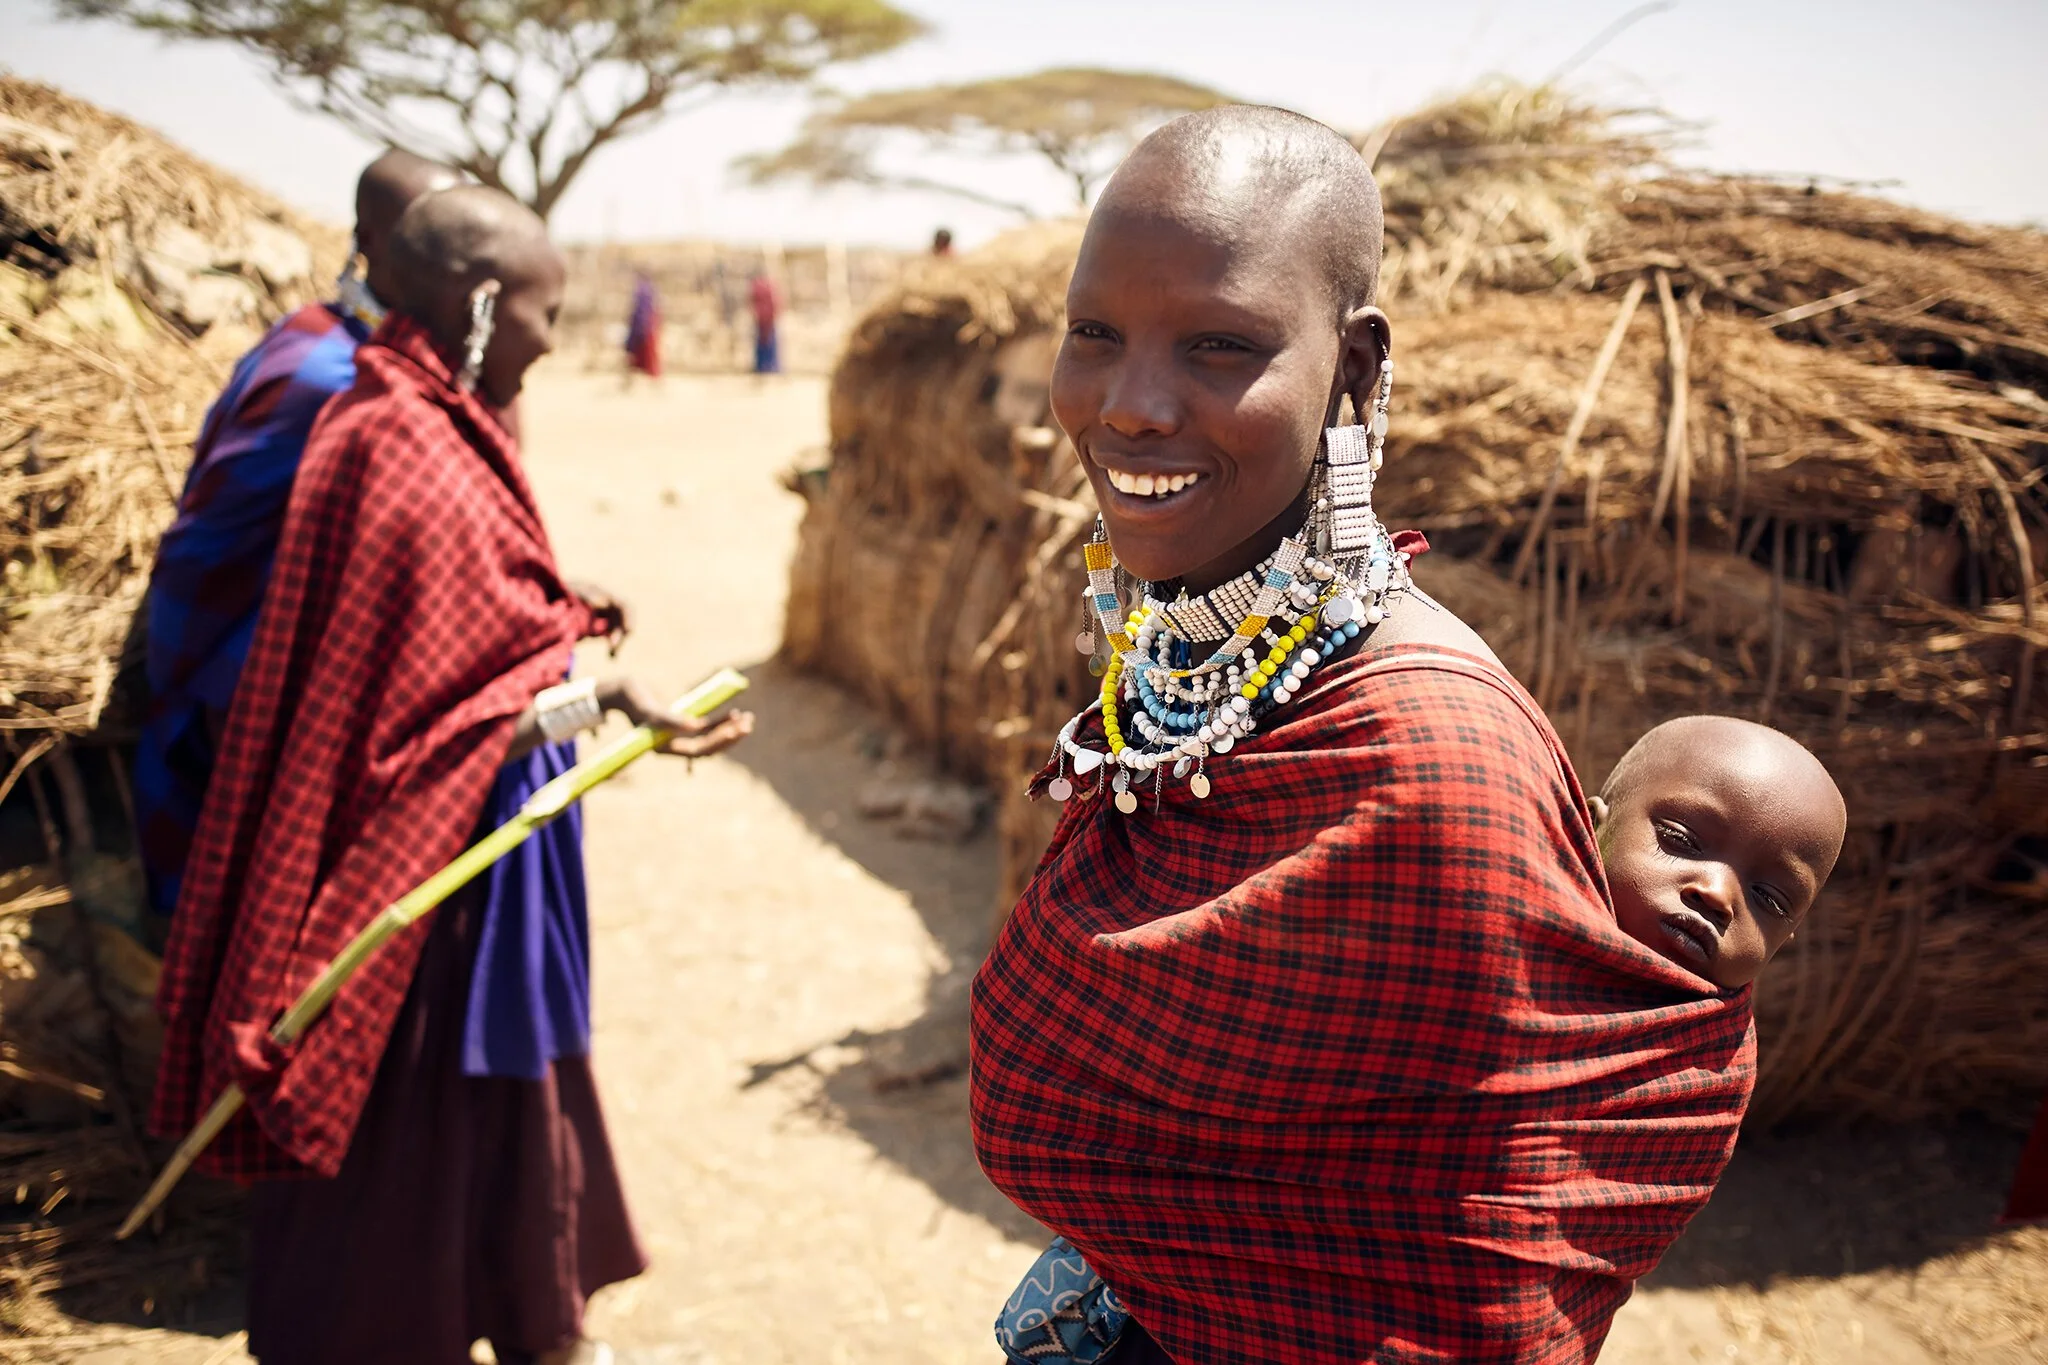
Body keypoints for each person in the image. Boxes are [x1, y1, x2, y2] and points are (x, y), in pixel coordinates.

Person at [971, 107, 1762, 1365]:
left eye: (1219, 346)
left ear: (1349, 370)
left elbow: (1480, 1245)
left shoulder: (1435, 755)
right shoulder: (1192, 648)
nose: (1127, 407)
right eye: (1094, 335)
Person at [149, 185, 754, 1365]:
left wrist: (581, 682)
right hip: (415, 867)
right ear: (481, 305)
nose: (552, 335)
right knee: (409, 1100)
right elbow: (415, 724)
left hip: (474, 842)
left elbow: (468, 664)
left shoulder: (432, 417)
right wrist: (596, 699)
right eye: (543, 309)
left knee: (498, 1085)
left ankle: (523, 1311)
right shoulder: (397, 446)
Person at [132, 148, 457, 937]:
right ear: (369, 240)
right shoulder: (327, 372)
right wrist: (236, 712)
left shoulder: (373, 356)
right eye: (428, 240)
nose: (453, 261)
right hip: (242, 714)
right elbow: (201, 567)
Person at [1591, 716, 1845, 990]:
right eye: (1680, 839)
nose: (1717, 894)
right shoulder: (1538, 940)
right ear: (1590, 826)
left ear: (1782, 939)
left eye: (1770, 899)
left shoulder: (1718, 1032)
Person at [623, 269, 661, 382]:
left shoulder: (644, 291)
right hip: (643, 325)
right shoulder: (646, 290)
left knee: (641, 353)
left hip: (644, 325)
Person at [748, 268, 780, 373]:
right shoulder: (768, 287)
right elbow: (775, 303)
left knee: (764, 345)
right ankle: (770, 367)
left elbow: (751, 302)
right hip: (767, 319)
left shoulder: (756, 287)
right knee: (767, 345)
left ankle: (762, 367)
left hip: (762, 319)